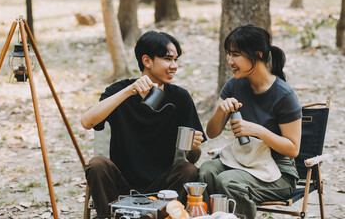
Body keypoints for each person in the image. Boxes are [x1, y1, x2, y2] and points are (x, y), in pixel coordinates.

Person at [81, 31, 206, 218]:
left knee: (188, 170)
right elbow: (87, 121)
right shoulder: (118, 91)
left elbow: (193, 158)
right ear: (147, 61)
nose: (174, 66)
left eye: (176, 60)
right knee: (97, 165)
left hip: (162, 189)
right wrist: (129, 91)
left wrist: (193, 146)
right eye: (167, 59)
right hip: (121, 184)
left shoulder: (180, 98)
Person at [198, 24, 302, 219]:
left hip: (278, 172)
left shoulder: (284, 95)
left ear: (259, 54)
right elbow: (211, 133)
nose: (229, 60)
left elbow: (293, 149)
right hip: (241, 160)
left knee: (228, 181)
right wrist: (221, 109)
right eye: (228, 54)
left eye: (235, 54)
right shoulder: (234, 85)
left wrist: (257, 130)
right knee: (207, 172)